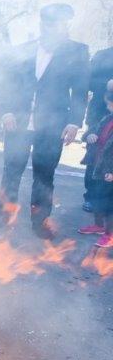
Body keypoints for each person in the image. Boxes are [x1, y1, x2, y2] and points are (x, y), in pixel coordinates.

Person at [0, 3, 90, 239]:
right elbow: (7, 84)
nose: (53, 28)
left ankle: (40, 220)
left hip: (53, 124)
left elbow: (80, 89)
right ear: (42, 25)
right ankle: (3, 215)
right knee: (11, 170)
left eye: (59, 24)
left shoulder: (77, 51)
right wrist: (6, 111)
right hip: (18, 122)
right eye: (49, 24)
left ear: (65, 25)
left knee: (44, 174)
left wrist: (74, 122)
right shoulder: (23, 50)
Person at [79, 84, 113, 247]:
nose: (108, 107)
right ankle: (99, 226)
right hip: (97, 167)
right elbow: (89, 132)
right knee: (96, 197)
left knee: (109, 204)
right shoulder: (107, 119)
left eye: (110, 104)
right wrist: (90, 135)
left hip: (109, 171)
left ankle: (109, 234)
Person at [82, 46, 113, 212]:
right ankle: (91, 196)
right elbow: (87, 80)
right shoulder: (103, 55)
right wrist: (107, 84)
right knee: (95, 155)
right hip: (100, 114)